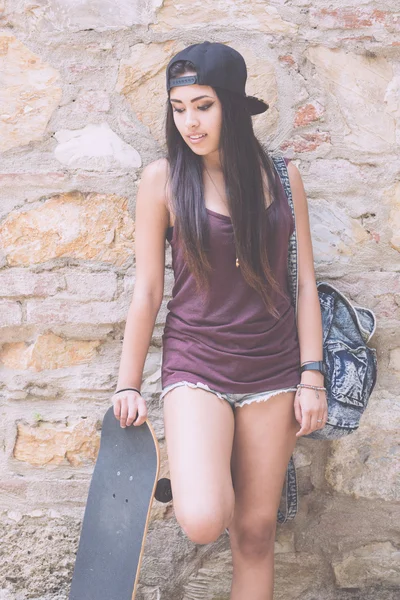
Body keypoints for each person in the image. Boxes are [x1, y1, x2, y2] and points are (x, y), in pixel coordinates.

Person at [112, 41, 327, 600]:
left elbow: (303, 282)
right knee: (204, 517)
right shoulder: (162, 180)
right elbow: (150, 289)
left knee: (255, 534)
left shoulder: (282, 177)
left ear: (232, 105)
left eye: (203, 105)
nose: (189, 121)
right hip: (197, 362)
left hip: (274, 368)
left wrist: (312, 375)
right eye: (178, 108)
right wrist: (127, 384)